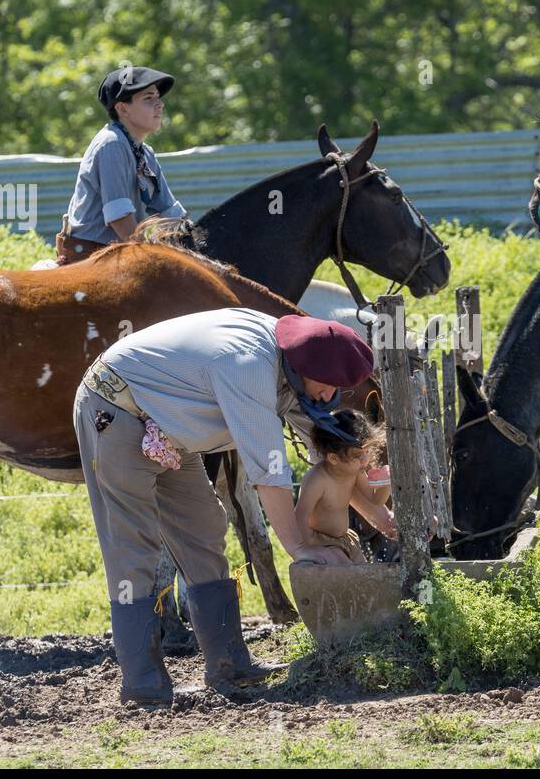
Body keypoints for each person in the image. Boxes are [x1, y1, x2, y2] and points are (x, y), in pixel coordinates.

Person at [72, 308, 375, 707]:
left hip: (165, 424)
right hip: (114, 411)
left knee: (204, 526)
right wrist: (299, 548)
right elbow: (268, 471)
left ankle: (229, 663)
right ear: (305, 367)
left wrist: (377, 512)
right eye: (328, 385)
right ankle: (142, 683)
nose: (329, 396)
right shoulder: (249, 367)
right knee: (133, 546)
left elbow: (334, 453)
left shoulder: (293, 363)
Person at [55, 65, 188, 265]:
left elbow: (168, 212)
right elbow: (120, 219)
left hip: (116, 254)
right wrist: (148, 259)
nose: (160, 104)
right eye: (148, 98)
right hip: (91, 258)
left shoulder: (144, 152)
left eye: (158, 97)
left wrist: (196, 238)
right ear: (122, 108)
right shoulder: (112, 144)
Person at [293, 409, 397, 564]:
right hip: (321, 541)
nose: (365, 460)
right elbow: (300, 516)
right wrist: (310, 546)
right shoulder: (317, 479)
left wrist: (385, 484)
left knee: (364, 576)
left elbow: (375, 500)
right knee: (348, 575)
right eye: (357, 456)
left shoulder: (355, 473)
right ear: (334, 458)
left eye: (366, 451)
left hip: (346, 539)